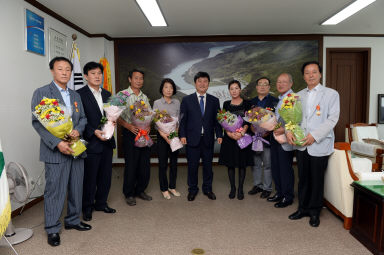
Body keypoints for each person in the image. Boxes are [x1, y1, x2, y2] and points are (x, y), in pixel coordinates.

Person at [31, 57, 91, 247]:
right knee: (55, 191)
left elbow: (82, 118)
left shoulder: (75, 95)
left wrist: (77, 130)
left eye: (67, 69)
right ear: (52, 71)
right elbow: (38, 124)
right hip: (56, 151)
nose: (64, 72)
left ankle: (73, 220)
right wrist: (57, 143)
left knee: (76, 187)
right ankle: (52, 228)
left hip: (76, 147)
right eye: (60, 69)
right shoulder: (41, 93)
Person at [288, 61, 340, 227]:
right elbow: (293, 118)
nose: (311, 75)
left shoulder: (331, 94)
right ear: (303, 76)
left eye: (314, 72)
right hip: (301, 143)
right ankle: (302, 208)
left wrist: (315, 136)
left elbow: (332, 119)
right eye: (307, 73)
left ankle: (314, 211)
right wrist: (289, 131)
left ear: (320, 74)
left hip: (319, 143)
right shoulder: (298, 95)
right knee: (303, 178)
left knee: (317, 179)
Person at [77, 62, 116, 222]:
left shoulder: (107, 94)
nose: (97, 76)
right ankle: (87, 207)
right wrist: (93, 132)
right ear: (86, 76)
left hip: (107, 141)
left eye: (99, 73)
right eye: (93, 73)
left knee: (105, 176)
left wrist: (112, 122)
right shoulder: (79, 94)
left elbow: (110, 115)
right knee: (90, 178)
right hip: (91, 142)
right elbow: (79, 119)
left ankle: (101, 203)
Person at [179, 71, 223, 201]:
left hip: (208, 139)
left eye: (205, 81)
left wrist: (219, 134)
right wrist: (182, 135)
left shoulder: (214, 100)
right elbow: (183, 120)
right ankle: (192, 189)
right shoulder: (187, 100)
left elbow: (217, 120)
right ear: (195, 83)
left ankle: (207, 189)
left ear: (208, 84)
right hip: (192, 139)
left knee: (208, 166)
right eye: (200, 81)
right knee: (192, 166)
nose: (202, 84)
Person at [118, 69, 152, 206]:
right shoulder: (122, 95)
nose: (139, 81)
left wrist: (148, 126)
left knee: (144, 164)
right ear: (129, 79)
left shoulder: (144, 97)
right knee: (131, 164)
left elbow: (149, 115)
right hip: (130, 133)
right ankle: (129, 193)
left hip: (144, 133)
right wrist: (128, 126)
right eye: (136, 78)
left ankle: (140, 190)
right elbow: (114, 115)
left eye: (141, 78)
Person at [218, 80, 253, 200]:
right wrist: (229, 133)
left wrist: (242, 131)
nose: (234, 91)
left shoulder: (247, 103)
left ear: (240, 89)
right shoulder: (226, 104)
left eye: (236, 88)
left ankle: (240, 189)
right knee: (230, 165)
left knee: (242, 164)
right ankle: (233, 188)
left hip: (243, 137)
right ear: (229, 91)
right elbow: (223, 122)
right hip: (229, 138)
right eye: (231, 88)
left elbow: (248, 120)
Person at [267, 73, 295, 208]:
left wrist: (283, 130)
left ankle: (288, 196)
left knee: (285, 168)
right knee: (276, 167)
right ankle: (279, 192)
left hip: (285, 138)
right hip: (275, 137)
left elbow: (297, 120)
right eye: (278, 82)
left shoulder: (292, 98)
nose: (280, 84)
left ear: (291, 84)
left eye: (284, 82)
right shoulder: (281, 98)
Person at [248, 77, 279, 199]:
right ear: (256, 87)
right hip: (254, 137)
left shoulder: (274, 101)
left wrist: (267, 131)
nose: (262, 86)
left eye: (265, 84)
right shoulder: (251, 102)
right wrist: (252, 128)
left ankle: (267, 187)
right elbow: (248, 120)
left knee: (267, 164)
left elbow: (277, 120)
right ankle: (257, 185)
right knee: (255, 164)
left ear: (269, 87)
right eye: (260, 84)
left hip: (268, 138)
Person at [153, 78, 181, 200]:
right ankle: (164, 188)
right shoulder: (157, 103)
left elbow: (179, 121)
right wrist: (164, 136)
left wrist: (175, 133)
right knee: (163, 164)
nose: (169, 90)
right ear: (162, 89)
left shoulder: (177, 102)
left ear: (173, 89)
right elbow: (155, 122)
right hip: (162, 137)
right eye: (166, 87)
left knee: (174, 163)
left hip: (174, 136)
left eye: (171, 87)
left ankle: (172, 187)